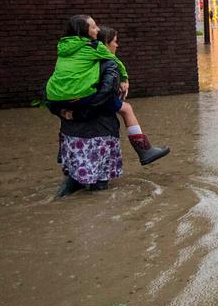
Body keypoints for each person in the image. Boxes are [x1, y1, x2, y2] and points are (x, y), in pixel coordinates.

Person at [45, 15, 170, 196]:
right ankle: (144, 150)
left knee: (73, 182)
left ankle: (64, 202)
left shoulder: (67, 58)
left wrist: (63, 112)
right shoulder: (107, 63)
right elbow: (105, 97)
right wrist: (83, 113)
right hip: (98, 136)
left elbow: (50, 92)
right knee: (99, 190)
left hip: (71, 137)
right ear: (105, 43)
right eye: (115, 42)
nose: (117, 46)